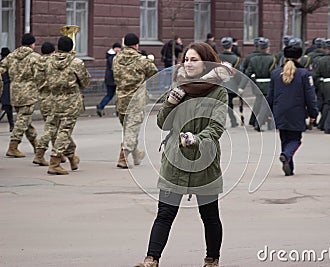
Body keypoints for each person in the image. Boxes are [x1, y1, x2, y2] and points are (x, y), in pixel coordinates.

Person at [134, 42, 230, 267]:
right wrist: (170, 102)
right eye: (186, 59)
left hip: (204, 161)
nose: (188, 63)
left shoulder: (218, 91)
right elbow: (162, 123)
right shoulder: (179, 88)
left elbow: (216, 126)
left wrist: (197, 139)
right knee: (165, 213)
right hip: (175, 160)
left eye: (194, 59)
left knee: (209, 216)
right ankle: (151, 260)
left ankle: (211, 259)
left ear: (206, 62)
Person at [37, 36, 90, 175]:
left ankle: (72, 158)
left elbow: (42, 80)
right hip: (71, 101)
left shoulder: (48, 62)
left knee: (56, 129)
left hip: (53, 100)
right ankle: (55, 162)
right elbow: (85, 83)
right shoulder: (76, 63)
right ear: (71, 48)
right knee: (65, 131)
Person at [267, 45, 318, 176]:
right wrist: (313, 113)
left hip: (280, 111)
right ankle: (286, 155)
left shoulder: (275, 73)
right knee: (296, 139)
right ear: (299, 57)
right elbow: (310, 96)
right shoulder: (304, 74)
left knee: (285, 139)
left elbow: (270, 96)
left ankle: (289, 168)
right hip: (297, 111)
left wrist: (268, 112)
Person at [112, 33, 158, 169]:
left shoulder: (116, 58)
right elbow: (154, 73)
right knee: (132, 129)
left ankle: (136, 154)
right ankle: (123, 157)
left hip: (121, 98)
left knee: (129, 128)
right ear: (136, 45)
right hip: (136, 100)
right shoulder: (141, 60)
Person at [0, 33, 40, 157]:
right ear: (32, 44)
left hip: (14, 93)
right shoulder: (35, 57)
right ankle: (13, 146)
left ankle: (37, 147)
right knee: (23, 120)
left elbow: (1, 68)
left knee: (25, 120)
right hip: (28, 93)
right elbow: (42, 74)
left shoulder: (11, 56)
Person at [245, 37, 277, 131]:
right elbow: (274, 73)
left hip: (257, 84)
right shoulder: (272, 59)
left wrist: (243, 86)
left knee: (259, 102)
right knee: (265, 105)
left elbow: (248, 73)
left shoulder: (253, 59)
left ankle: (255, 120)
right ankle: (258, 123)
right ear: (267, 48)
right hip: (268, 85)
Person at [218, 37, 242, 127]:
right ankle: (233, 121)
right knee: (229, 104)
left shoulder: (217, 57)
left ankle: (223, 122)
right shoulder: (236, 59)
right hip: (231, 83)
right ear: (231, 46)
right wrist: (239, 84)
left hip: (219, 83)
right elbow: (239, 74)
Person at [96, 42, 122, 117]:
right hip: (113, 79)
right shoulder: (112, 57)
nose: (118, 49)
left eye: (119, 48)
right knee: (115, 95)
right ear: (114, 48)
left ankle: (101, 106)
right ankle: (117, 110)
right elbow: (115, 67)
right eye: (117, 48)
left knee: (110, 95)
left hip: (110, 79)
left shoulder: (110, 56)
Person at [0, 47, 13, 132]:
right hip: (7, 86)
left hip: (3, 85)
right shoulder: (10, 63)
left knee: (6, 107)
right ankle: (11, 125)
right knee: (7, 108)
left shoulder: (1, 63)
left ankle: (12, 125)